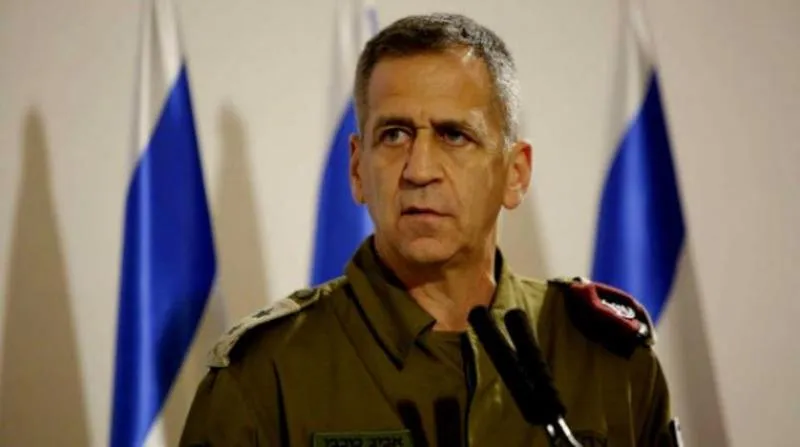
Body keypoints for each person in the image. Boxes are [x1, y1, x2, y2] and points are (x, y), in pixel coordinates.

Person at [180, 13, 680, 447]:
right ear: (357, 169)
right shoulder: (266, 374)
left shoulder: (608, 362)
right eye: (394, 134)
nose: (419, 169)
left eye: (454, 135)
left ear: (515, 173)